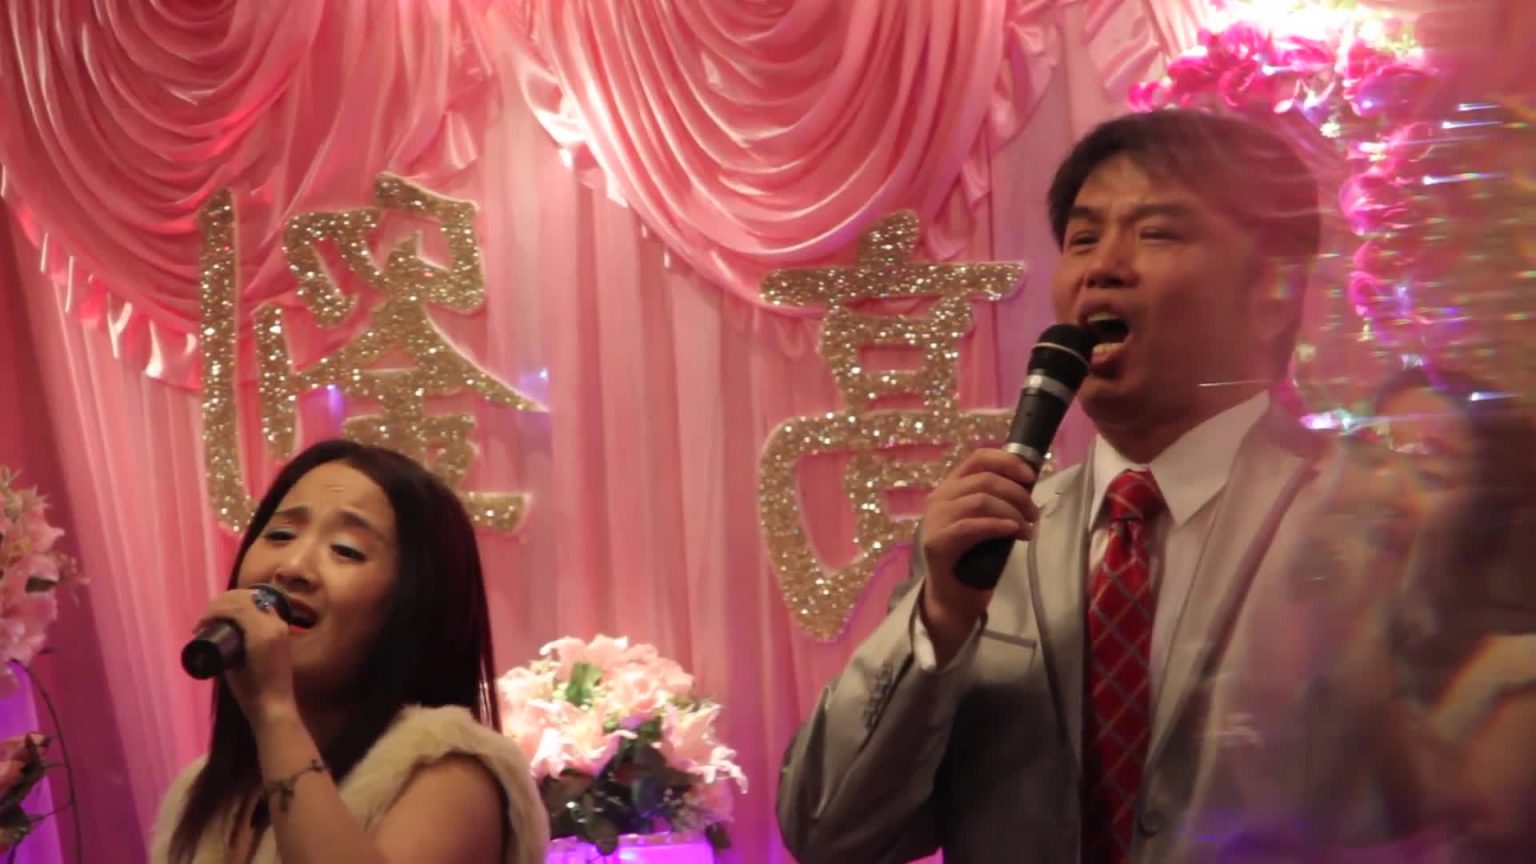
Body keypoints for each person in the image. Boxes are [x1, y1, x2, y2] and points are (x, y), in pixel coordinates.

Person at [777, 108, 1329, 863]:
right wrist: (939, 618)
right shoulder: (987, 544)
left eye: (1157, 233)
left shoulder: (1367, 519)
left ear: (1273, 290)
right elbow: (827, 829)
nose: (1104, 267)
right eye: (1082, 238)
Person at [151, 439, 548, 864]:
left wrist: (274, 711)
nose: (293, 568)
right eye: (280, 535)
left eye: (346, 550)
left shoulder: (450, 774)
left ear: (414, 605)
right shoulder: (202, 794)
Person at [1276, 366, 1536, 861]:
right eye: (1375, 457)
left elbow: (1475, 835)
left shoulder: (1517, 673)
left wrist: (1364, 647)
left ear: (1481, 523)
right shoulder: (1297, 628)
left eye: (1430, 474)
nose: (1387, 491)